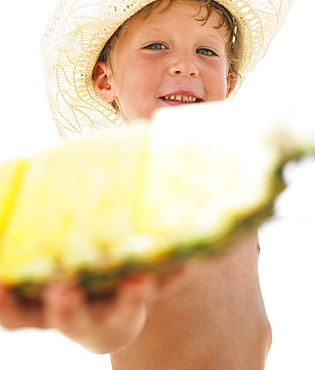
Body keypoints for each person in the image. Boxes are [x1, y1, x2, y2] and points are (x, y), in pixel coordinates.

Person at [0, 0, 292, 368]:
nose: (185, 65)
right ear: (106, 81)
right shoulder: (117, 190)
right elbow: (102, 330)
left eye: (205, 51)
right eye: (156, 46)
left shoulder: (234, 189)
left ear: (229, 83)